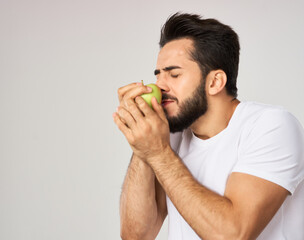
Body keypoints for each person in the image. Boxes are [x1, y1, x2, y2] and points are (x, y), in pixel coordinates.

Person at [112, 12, 304, 240]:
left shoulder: (271, 126)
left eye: (173, 74)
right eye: (158, 75)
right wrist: (141, 145)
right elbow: (137, 235)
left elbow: (232, 235)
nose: (159, 85)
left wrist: (157, 151)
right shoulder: (169, 136)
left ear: (215, 82)